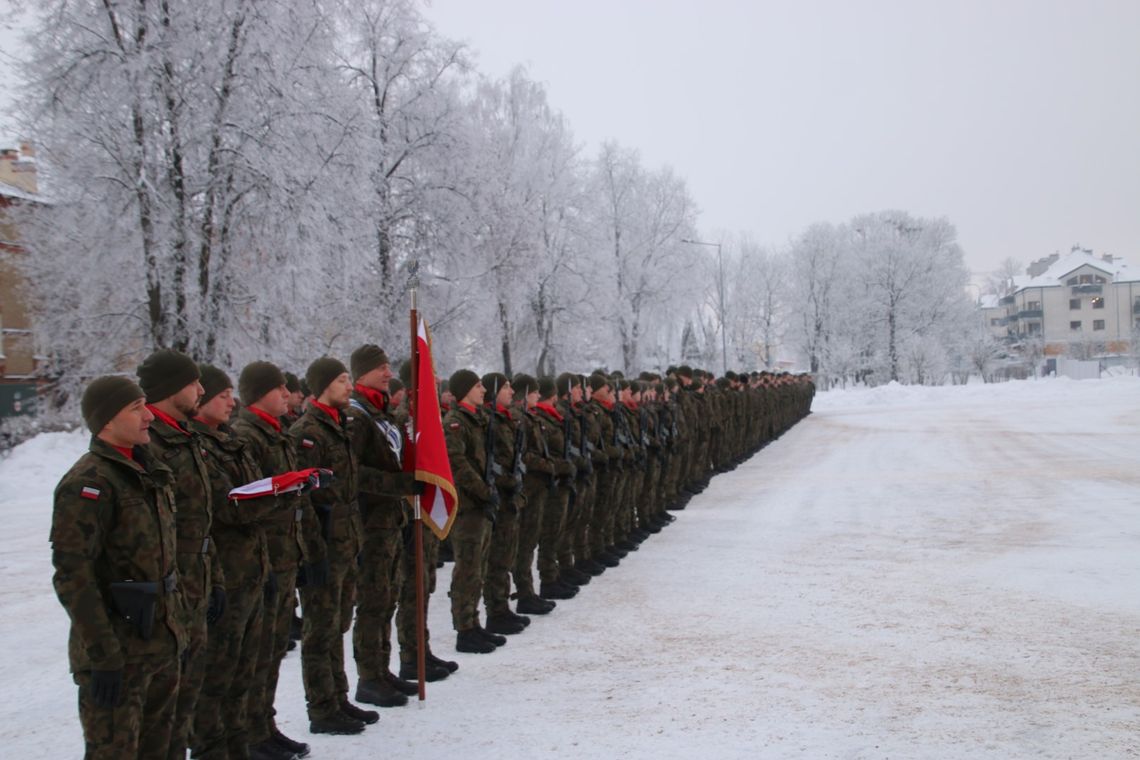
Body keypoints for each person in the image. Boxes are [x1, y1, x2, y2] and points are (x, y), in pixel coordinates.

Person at [51, 376, 186, 759]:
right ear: (107, 419)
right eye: (135, 408)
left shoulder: (149, 471)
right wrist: (103, 654)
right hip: (119, 652)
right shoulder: (89, 483)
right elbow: (73, 576)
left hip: (160, 643)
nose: (148, 416)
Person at [189, 366, 279, 760]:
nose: (231, 401)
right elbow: (230, 506)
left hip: (251, 567)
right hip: (224, 574)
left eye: (231, 393)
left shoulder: (229, 441)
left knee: (245, 669)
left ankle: (243, 742)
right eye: (221, 394)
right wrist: (280, 494)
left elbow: (253, 495)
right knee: (216, 677)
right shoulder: (198, 446)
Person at [135, 349, 220, 760]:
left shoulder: (186, 436)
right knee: (160, 710)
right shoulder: (147, 443)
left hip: (196, 579)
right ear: (170, 389)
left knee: (187, 696)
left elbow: (203, 518)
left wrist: (215, 578)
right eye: (193, 383)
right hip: (168, 589)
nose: (201, 391)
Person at [231, 362, 317, 759]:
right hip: (263, 557)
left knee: (272, 648)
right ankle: (253, 731)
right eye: (278, 388)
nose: (287, 394)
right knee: (259, 651)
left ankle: (264, 725)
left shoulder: (275, 432)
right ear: (258, 393)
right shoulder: (246, 437)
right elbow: (252, 502)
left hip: (282, 555)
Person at [290, 357, 375, 734]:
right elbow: (304, 498)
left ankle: (339, 697)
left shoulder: (339, 425)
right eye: (342, 380)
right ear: (324, 385)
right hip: (323, 546)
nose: (350, 387)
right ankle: (322, 707)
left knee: (337, 623)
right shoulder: (307, 432)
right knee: (319, 630)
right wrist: (313, 553)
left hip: (345, 541)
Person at [347, 345, 427, 706]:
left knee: (387, 598)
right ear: (361, 373)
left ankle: (381, 669)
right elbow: (353, 472)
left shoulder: (382, 414)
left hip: (390, 522)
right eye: (379, 367)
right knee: (372, 602)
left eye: (387, 366)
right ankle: (368, 676)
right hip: (370, 523)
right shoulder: (357, 416)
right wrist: (400, 485)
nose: (387, 372)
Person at [441, 369, 505, 653]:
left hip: (481, 504)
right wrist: (483, 491)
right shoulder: (455, 422)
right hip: (468, 505)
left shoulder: (478, 420)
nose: (483, 390)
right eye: (478, 386)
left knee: (478, 568)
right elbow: (457, 463)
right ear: (465, 389)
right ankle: (464, 629)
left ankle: (474, 622)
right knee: (467, 569)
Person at [480, 372, 531, 635]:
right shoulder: (487, 420)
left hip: (509, 495)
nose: (511, 392)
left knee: (505, 555)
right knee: (496, 557)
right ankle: (494, 611)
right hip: (495, 495)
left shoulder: (507, 419)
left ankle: (501, 607)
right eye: (506, 387)